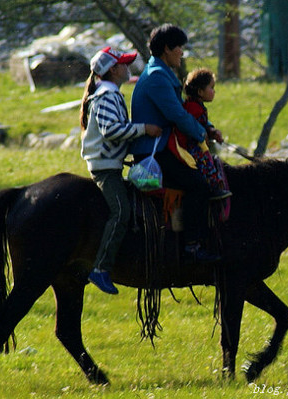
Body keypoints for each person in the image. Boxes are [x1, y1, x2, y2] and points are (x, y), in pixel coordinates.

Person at [129, 24, 221, 263]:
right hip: (154, 152)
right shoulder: (157, 78)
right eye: (179, 47)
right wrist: (201, 135)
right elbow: (177, 115)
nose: (182, 52)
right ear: (168, 49)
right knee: (199, 185)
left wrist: (206, 130)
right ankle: (193, 246)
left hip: (163, 147)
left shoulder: (159, 73)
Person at [80, 46, 162, 294]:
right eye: (124, 64)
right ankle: (101, 269)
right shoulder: (107, 95)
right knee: (121, 211)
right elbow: (111, 131)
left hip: (111, 164)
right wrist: (144, 129)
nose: (128, 68)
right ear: (113, 70)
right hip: (105, 169)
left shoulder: (111, 92)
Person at [168, 68, 231, 198]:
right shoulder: (193, 108)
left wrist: (211, 130)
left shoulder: (196, 106)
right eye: (211, 87)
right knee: (206, 162)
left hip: (195, 144)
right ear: (200, 91)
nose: (214, 91)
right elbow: (191, 128)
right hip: (191, 146)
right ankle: (212, 189)